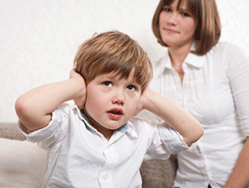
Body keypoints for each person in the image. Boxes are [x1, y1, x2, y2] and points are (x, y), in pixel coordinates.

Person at [15, 30, 203, 188]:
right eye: (107, 83)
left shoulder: (141, 133)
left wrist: (148, 98)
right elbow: (26, 107)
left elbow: (193, 132)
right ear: (85, 86)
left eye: (131, 87)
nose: (119, 99)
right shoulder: (66, 124)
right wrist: (75, 87)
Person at [145, 0, 249, 187]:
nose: (171, 20)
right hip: (189, 183)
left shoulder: (228, 56)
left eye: (185, 14)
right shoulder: (151, 77)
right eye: (167, 9)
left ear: (201, 20)